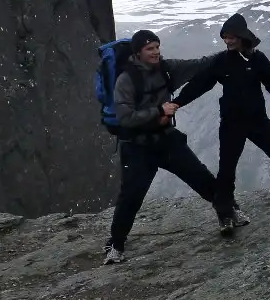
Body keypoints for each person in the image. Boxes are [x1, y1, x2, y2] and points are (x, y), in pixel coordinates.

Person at [171, 13, 270, 230]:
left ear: (242, 36)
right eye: (224, 38)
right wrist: (178, 103)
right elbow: (200, 84)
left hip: (258, 122)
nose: (227, 42)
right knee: (227, 170)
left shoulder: (258, 60)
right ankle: (226, 217)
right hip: (231, 124)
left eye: (231, 37)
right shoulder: (221, 61)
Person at [104, 29, 247, 265]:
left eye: (157, 47)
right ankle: (115, 244)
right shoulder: (126, 80)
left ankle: (228, 212)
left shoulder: (167, 68)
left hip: (166, 139)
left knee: (200, 177)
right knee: (131, 197)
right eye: (150, 49)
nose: (156, 52)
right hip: (138, 147)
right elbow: (125, 118)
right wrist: (159, 111)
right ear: (138, 52)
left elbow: (200, 65)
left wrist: (228, 53)